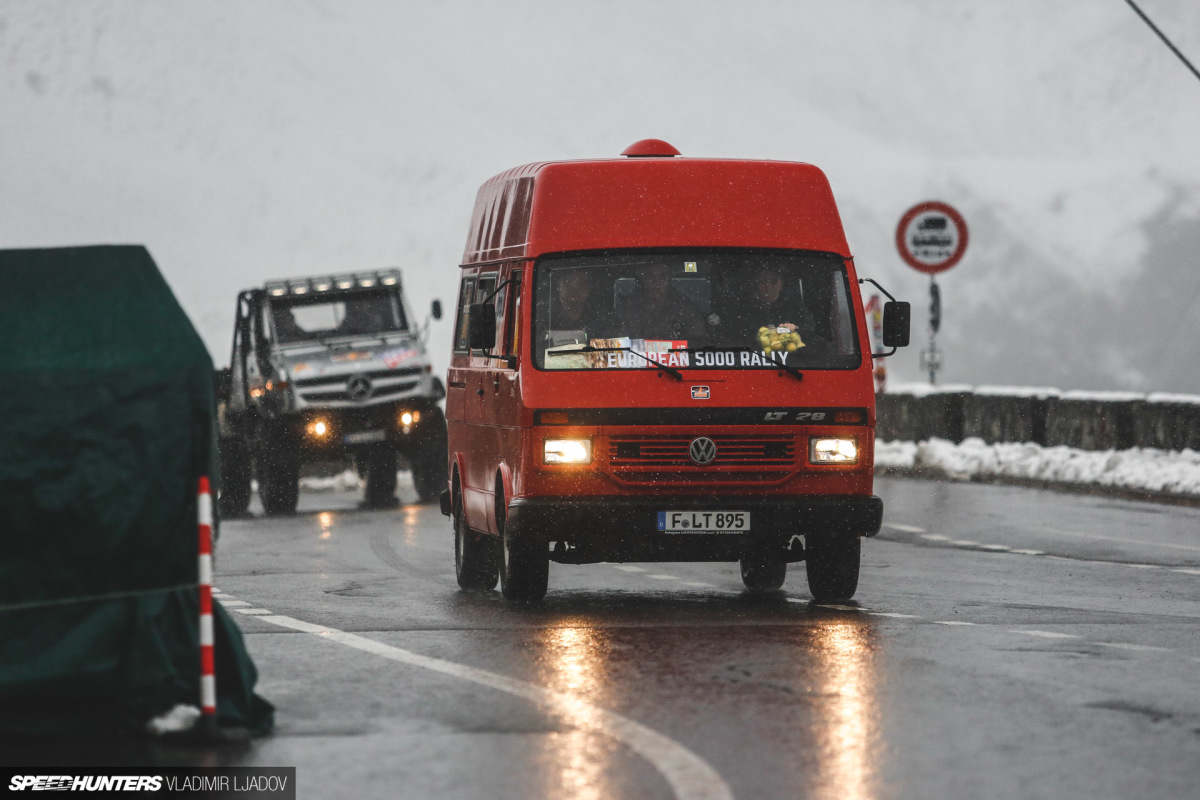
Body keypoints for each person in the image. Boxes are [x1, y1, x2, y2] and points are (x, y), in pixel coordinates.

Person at [618, 263, 705, 342]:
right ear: (643, 279)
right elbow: (620, 339)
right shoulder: (629, 306)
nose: (656, 281)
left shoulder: (685, 306)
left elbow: (697, 340)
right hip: (636, 357)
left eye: (662, 276)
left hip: (677, 356)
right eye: (650, 276)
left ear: (669, 279)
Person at [544, 269, 616, 344]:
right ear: (558, 285)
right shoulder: (543, 314)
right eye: (568, 282)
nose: (575, 287)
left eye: (582, 283)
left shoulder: (601, 317)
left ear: (589, 288)